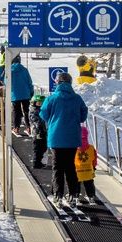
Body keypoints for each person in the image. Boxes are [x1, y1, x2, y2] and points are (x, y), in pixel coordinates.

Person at [40, 72, 89, 207]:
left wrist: (53, 120)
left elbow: (43, 113)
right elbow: (83, 115)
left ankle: (58, 195)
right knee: (70, 167)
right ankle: (73, 195)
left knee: (57, 167)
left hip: (56, 137)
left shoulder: (52, 98)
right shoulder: (77, 98)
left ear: (58, 83)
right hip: (72, 138)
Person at [9, 55, 33, 135]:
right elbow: (29, 81)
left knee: (16, 111)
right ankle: (28, 128)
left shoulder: (9, 70)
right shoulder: (24, 70)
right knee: (26, 111)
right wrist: (31, 91)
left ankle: (16, 128)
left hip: (15, 94)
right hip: (25, 93)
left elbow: (6, 82)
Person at [76, 126, 98, 205]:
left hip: (77, 171)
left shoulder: (74, 148)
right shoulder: (91, 148)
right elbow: (94, 159)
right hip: (88, 171)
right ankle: (91, 197)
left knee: (76, 184)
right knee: (89, 184)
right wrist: (94, 167)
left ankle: (76, 197)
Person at [29, 94, 48, 168]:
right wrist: (40, 128)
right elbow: (36, 121)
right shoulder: (33, 111)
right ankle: (36, 163)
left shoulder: (41, 110)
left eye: (42, 103)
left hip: (42, 132)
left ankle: (39, 161)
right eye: (38, 103)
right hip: (36, 133)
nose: (40, 105)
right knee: (37, 148)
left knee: (43, 147)